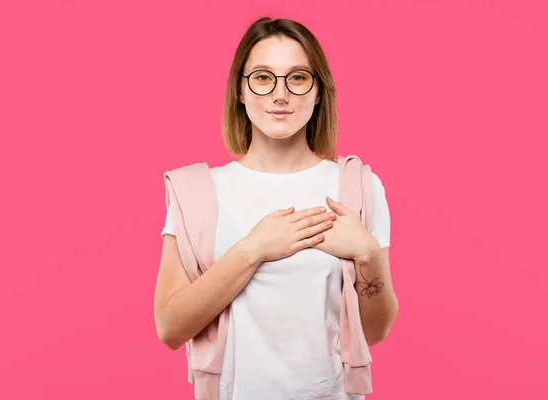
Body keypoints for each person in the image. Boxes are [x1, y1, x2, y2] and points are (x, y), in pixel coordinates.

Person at [154, 16, 399, 400]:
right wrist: (255, 249)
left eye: (298, 78)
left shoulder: (358, 188)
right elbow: (170, 327)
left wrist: (367, 252)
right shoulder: (199, 193)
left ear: (319, 92)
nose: (280, 94)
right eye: (263, 77)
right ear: (240, 89)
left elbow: (376, 331)